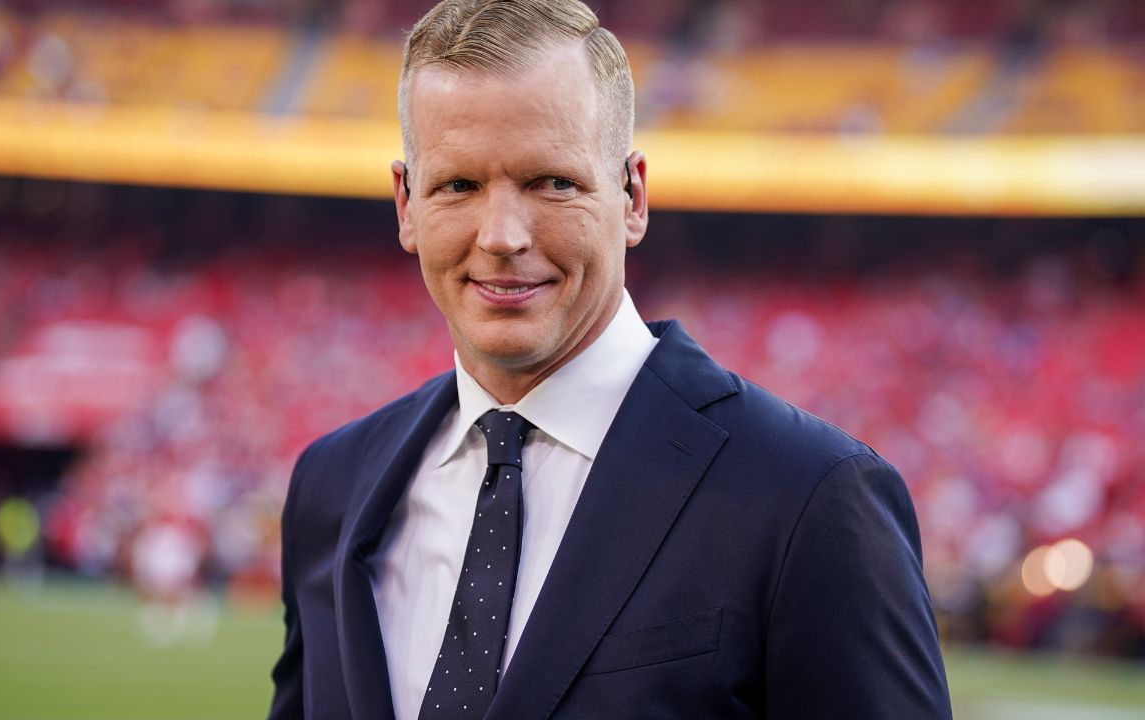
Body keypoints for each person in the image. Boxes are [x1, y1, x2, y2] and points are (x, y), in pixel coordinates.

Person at [268, 1, 952, 718]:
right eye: (459, 186)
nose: (501, 236)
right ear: (406, 204)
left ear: (632, 195)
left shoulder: (809, 496)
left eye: (552, 183)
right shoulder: (332, 485)